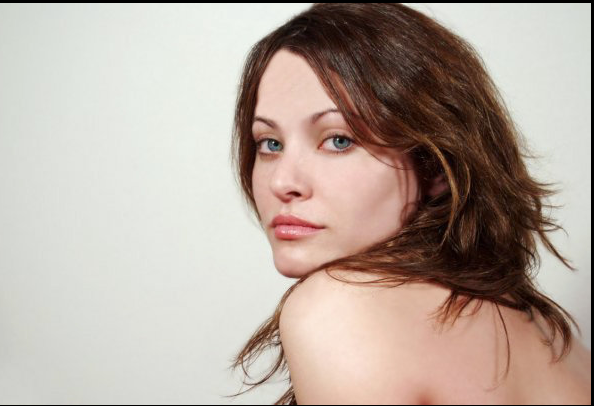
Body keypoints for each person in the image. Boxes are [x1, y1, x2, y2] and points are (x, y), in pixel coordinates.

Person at [226, 4, 591, 404]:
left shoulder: (338, 308)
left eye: (339, 140)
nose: (282, 182)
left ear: (434, 166)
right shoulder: (548, 334)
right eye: (270, 144)